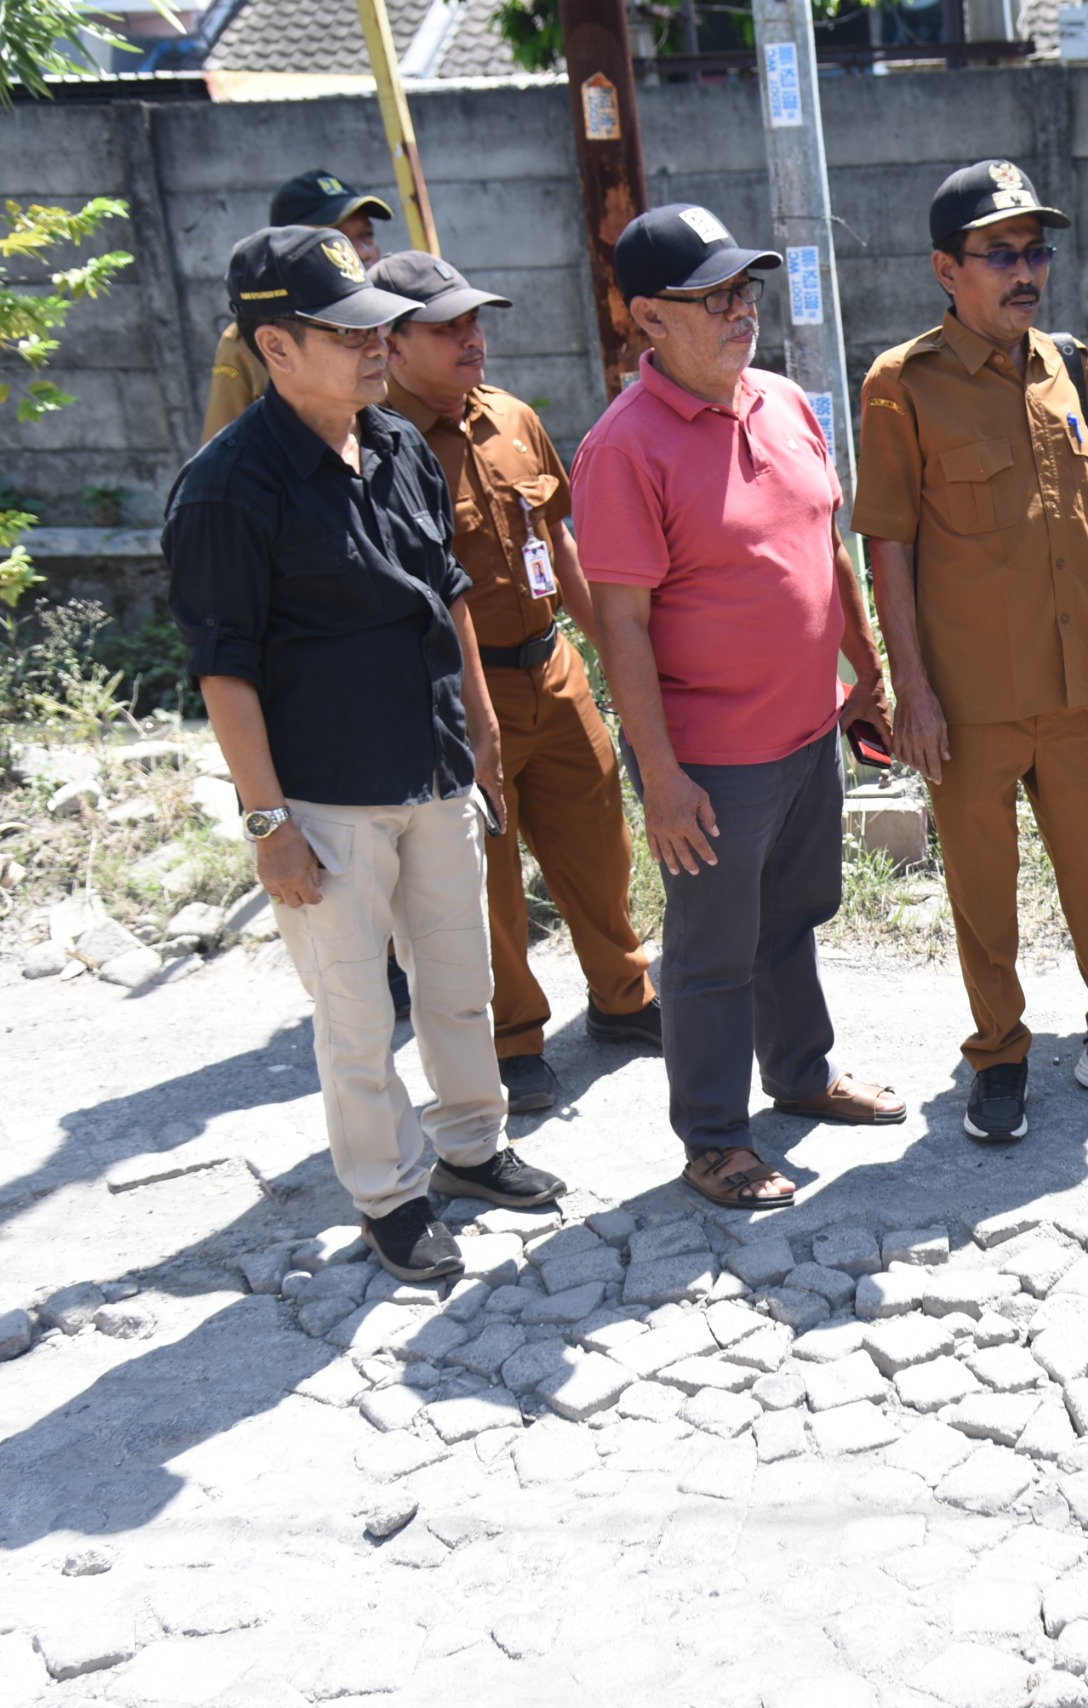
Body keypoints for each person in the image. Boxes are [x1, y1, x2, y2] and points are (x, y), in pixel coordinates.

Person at [168, 226, 567, 1281]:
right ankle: (389, 1196)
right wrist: (269, 826)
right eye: (343, 332)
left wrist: (479, 728)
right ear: (276, 346)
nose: (374, 345)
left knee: (459, 977)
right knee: (354, 1010)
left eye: (375, 326)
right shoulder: (227, 488)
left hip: (433, 766)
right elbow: (225, 671)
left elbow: (446, 593)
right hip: (327, 794)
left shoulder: (392, 443)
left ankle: (472, 1147)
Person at [853, 160, 1088, 1143]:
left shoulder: (1069, 367)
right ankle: (1000, 1053)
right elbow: (887, 543)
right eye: (999, 253)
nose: (1025, 271)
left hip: (1079, 688)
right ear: (945, 268)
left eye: (1035, 249)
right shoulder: (901, 386)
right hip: (969, 701)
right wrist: (908, 692)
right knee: (983, 890)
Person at [574, 204, 905, 1210]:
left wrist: (868, 671)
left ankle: (800, 1073)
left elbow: (825, 549)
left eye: (744, 289)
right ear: (645, 319)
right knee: (713, 951)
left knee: (790, 917)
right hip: (710, 756)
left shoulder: (784, 403)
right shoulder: (621, 449)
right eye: (711, 295)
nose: (739, 308)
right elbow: (620, 628)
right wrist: (662, 777)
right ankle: (714, 1138)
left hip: (807, 728)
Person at [374, 251, 662, 1116]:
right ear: (389, 342)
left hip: (553, 667)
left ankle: (623, 999)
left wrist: (611, 652)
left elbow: (560, 541)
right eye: (447, 327)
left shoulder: (510, 418)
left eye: (474, 320)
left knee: (599, 843)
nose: (473, 339)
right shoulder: (381, 449)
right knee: (488, 879)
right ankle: (515, 1037)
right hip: (463, 698)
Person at [202, 171, 392, 445]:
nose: (361, 252)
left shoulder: (413, 312)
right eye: (336, 240)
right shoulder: (251, 339)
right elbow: (221, 447)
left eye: (366, 235)